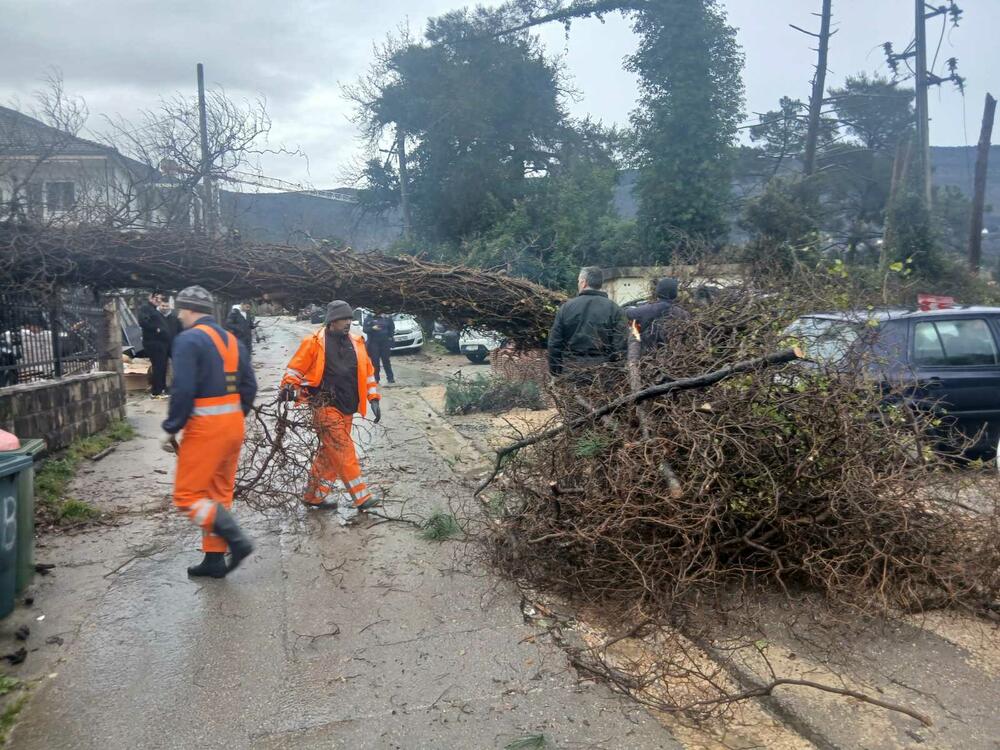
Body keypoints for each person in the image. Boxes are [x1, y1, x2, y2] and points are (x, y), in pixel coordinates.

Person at [160, 285, 257, 579]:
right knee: (218, 494)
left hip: (205, 428)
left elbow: (183, 388)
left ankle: (236, 540)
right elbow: (249, 386)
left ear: (190, 309)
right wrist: (234, 416)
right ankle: (214, 559)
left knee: (187, 496)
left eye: (180, 310)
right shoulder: (232, 340)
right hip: (234, 425)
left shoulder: (188, 340)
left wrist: (171, 427)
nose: (179, 316)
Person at [280, 300, 382, 514]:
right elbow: (295, 370)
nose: (348, 323)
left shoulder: (356, 342)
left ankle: (313, 496)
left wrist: (373, 397)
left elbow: (368, 373)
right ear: (332, 321)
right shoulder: (314, 342)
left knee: (329, 454)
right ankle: (361, 497)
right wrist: (289, 387)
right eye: (343, 319)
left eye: (349, 319)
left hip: (348, 407)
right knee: (343, 449)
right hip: (324, 405)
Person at [547, 266, 629, 378]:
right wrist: (615, 370)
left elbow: (554, 343)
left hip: (571, 370)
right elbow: (621, 345)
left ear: (583, 282)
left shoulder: (566, 308)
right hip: (603, 373)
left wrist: (556, 371)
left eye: (578, 281)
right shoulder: (615, 309)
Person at [624, 277, 690, 353]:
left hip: (649, 355)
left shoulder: (649, 309)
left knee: (635, 329)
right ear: (674, 294)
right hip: (676, 354)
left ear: (658, 292)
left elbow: (627, 313)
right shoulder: (683, 314)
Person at [138, 292, 171, 398]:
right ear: (150, 298)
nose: (159, 300)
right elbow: (142, 322)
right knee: (158, 366)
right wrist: (156, 329)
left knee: (162, 366)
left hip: (161, 343)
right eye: (156, 298)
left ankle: (162, 388)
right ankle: (157, 391)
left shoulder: (154, 310)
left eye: (160, 298)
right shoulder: (145, 308)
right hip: (154, 342)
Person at [363, 311, 396, 384]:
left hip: (385, 342)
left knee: (386, 360)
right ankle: (376, 378)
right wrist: (372, 328)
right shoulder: (369, 318)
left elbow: (392, 328)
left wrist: (390, 338)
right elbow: (365, 329)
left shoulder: (387, 317)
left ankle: (390, 378)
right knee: (375, 361)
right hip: (373, 343)